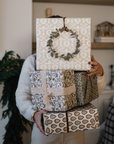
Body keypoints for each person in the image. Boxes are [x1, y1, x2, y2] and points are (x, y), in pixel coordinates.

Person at [15, 16, 106, 144]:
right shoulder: (32, 61)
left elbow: (93, 92)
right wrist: (33, 113)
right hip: (45, 130)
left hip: (75, 129)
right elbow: (22, 94)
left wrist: (100, 72)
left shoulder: (80, 60)